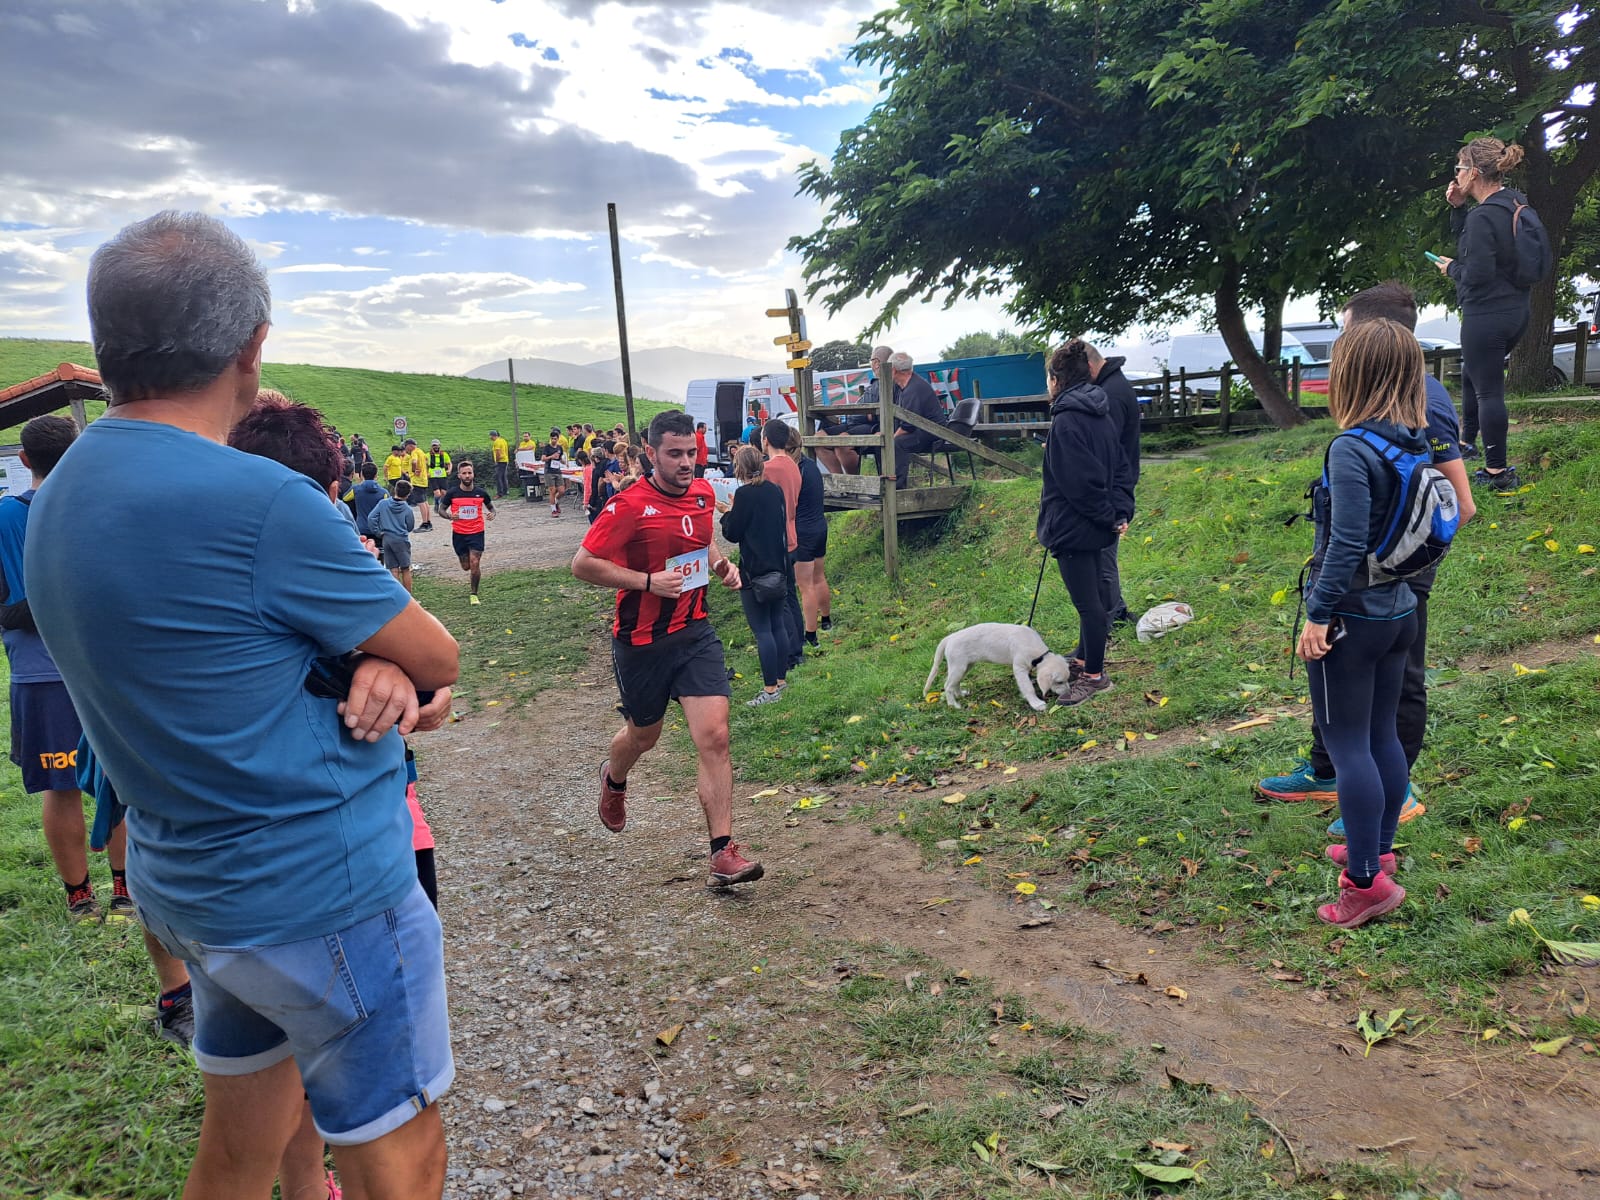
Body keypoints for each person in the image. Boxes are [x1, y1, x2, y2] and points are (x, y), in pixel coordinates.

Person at [26, 210, 459, 1199]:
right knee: (399, 1149)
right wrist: (381, 660)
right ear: (251, 347)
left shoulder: (61, 494)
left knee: (238, 1148)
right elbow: (438, 653)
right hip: (323, 890)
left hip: (196, 889)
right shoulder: (263, 501)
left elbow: (216, 655)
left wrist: (356, 662)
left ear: (106, 349)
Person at [1257, 282, 1477, 829]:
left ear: (1368, 340)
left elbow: (1457, 500)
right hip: (1358, 581)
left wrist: (1392, 571)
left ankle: (1387, 799)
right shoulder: (1395, 407)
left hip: (1380, 581)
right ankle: (1329, 770)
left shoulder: (1421, 404)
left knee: (1394, 687)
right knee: (1345, 695)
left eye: (1343, 332)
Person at [571, 410, 762, 888]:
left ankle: (722, 852)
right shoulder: (628, 505)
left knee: (715, 737)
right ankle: (613, 780)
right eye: (674, 454)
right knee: (644, 736)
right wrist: (647, 582)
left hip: (694, 633)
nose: (685, 463)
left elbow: (702, 542)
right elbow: (583, 564)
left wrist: (721, 566)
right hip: (641, 643)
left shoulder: (701, 493)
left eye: (691, 453)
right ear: (650, 454)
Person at [1294, 318, 1432, 929]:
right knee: (1380, 736)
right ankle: (1374, 847)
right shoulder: (1413, 440)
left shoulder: (1351, 447)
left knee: (1348, 746)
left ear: (1352, 374)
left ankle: (1364, 883)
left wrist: (1317, 615)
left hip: (1351, 617)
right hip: (1399, 608)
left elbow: (1347, 541)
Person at [0, 416, 130, 923]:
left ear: (24, 459)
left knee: (61, 787)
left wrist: (29, 609)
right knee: (120, 779)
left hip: (40, 673)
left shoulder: (5, 516)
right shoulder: (102, 511)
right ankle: (125, 890)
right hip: (107, 670)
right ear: (74, 453)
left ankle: (81, 899)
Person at [1036, 340, 1134, 707]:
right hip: (1095, 523)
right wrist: (1120, 512)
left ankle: (1095, 676)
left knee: (1089, 604)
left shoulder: (1066, 419)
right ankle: (1082, 659)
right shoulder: (1099, 412)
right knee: (1092, 601)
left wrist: (1111, 515)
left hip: (1074, 526)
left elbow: (1080, 483)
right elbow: (1120, 466)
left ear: (1057, 379)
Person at [1435, 136, 1532, 491]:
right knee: (1473, 376)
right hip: (1517, 310)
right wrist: (1458, 208)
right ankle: (1465, 442)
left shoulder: (1483, 217)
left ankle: (1497, 472)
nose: (1455, 175)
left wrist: (1450, 270)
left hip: (1486, 314)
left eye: (1459, 169)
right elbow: (1479, 248)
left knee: (1489, 391)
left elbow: (1474, 272)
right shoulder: (1515, 204)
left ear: (1473, 172)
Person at [718, 446, 793, 705]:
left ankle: (770, 690)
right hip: (779, 566)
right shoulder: (775, 491)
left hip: (754, 571)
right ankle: (781, 680)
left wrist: (727, 512)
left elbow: (733, 533)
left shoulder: (743, 494)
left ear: (739, 468)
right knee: (777, 625)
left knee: (762, 630)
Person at [1085, 342, 1142, 629]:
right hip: (1115, 484)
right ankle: (1114, 609)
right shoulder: (1114, 384)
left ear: (1091, 367)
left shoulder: (1110, 394)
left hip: (1110, 487)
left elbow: (1109, 449)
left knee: (1103, 555)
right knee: (1102, 555)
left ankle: (1111, 618)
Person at [761, 421, 805, 671]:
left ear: (765, 439)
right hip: (791, 534)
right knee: (790, 594)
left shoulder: (767, 469)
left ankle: (790, 652)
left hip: (775, 538)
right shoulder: (792, 464)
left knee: (781, 600)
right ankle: (797, 645)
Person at [816, 345, 891, 475]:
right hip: (853, 422)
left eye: (871, 360)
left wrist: (866, 414)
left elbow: (873, 415)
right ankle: (839, 482)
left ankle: (852, 482)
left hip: (871, 426)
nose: (871, 364)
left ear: (877, 363)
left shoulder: (888, 383)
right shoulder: (875, 384)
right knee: (818, 438)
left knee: (842, 442)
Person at [787, 428, 832, 640]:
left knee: (805, 585)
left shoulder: (794, 471)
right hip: (819, 526)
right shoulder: (812, 466)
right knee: (819, 576)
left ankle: (810, 634)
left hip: (802, 531)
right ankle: (826, 620)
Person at [888, 352, 949, 488]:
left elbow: (908, 425)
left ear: (893, 370)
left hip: (932, 433)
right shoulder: (909, 385)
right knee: (890, 441)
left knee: (897, 443)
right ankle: (888, 482)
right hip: (925, 430)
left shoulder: (913, 389)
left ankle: (897, 487)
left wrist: (891, 439)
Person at [441, 459, 495, 604]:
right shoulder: (452, 493)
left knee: (475, 562)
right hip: (459, 534)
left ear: (473, 475)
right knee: (466, 566)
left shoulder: (481, 493)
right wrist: (449, 516)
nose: (467, 476)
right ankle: (471, 573)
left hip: (477, 532)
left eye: (469, 473)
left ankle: (474, 594)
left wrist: (492, 514)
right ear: (459, 475)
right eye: (464, 473)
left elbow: (491, 507)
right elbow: (440, 510)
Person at [351, 461, 387, 542]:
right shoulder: (384, 493)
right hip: (378, 529)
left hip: (361, 528)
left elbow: (345, 499)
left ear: (362, 475)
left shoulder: (355, 490)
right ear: (376, 475)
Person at [404, 439, 432, 531]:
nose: (405, 450)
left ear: (410, 445)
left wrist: (413, 470)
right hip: (423, 480)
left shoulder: (414, 452)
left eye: (406, 447)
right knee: (425, 501)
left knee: (420, 502)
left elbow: (414, 462)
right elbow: (427, 462)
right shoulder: (421, 452)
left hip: (417, 481)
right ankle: (428, 522)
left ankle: (424, 524)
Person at [540, 428, 565, 516]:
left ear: (558, 439)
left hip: (557, 470)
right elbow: (543, 459)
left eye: (555, 439)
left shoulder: (559, 448)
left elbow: (560, 457)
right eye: (552, 439)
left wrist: (563, 461)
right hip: (549, 471)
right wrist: (551, 457)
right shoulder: (547, 448)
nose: (553, 440)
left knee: (562, 490)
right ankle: (553, 509)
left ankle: (556, 501)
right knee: (552, 491)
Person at [426, 440, 452, 515]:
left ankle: (440, 505)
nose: (436, 447)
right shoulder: (427, 455)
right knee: (437, 494)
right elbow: (424, 465)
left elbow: (449, 463)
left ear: (439, 446)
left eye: (437, 445)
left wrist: (449, 470)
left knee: (444, 493)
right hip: (433, 476)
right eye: (434, 445)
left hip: (442, 475)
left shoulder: (444, 454)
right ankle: (437, 504)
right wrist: (426, 472)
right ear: (431, 446)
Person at [490, 429, 510, 497]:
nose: (490, 438)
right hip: (505, 460)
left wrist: (497, 461)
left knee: (498, 477)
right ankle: (506, 491)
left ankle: (499, 493)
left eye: (490, 436)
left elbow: (498, 453)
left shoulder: (496, 442)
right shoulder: (503, 440)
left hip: (500, 461)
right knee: (503, 477)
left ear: (493, 436)